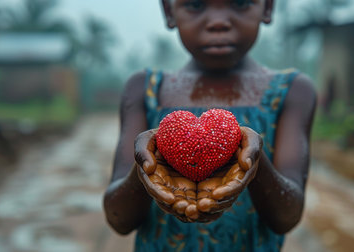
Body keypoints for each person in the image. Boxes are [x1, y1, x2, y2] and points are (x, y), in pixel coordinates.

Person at [103, 0, 317, 251]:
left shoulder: (292, 91)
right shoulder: (144, 89)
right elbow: (119, 219)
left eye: (241, 3)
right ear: (168, 11)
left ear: (268, 7)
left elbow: (287, 217)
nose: (218, 22)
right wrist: (144, 167)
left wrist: (256, 162)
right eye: (194, 5)